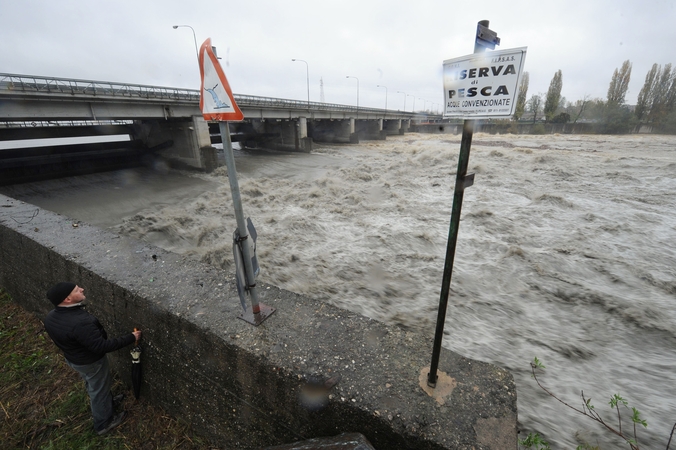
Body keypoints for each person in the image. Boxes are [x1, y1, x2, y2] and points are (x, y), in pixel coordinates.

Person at [43, 282, 141, 436]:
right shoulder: (80, 322)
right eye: (76, 289)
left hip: (74, 359)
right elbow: (101, 346)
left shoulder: (51, 316)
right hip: (91, 362)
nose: (82, 288)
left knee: (94, 384)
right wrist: (131, 337)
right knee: (99, 389)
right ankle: (103, 423)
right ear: (67, 299)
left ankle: (107, 404)